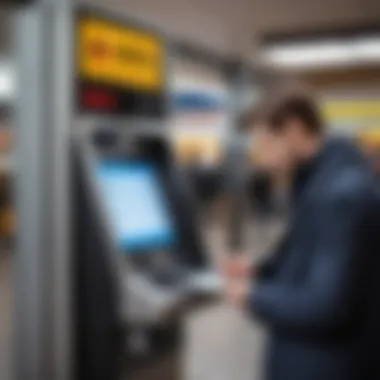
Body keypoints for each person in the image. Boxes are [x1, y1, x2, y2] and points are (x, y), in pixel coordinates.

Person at [224, 88, 380, 380]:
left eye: (264, 141)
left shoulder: (341, 195)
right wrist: (258, 269)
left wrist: (252, 296)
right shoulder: (317, 182)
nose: (260, 156)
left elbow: (325, 306)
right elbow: (309, 256)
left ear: (294, 129)